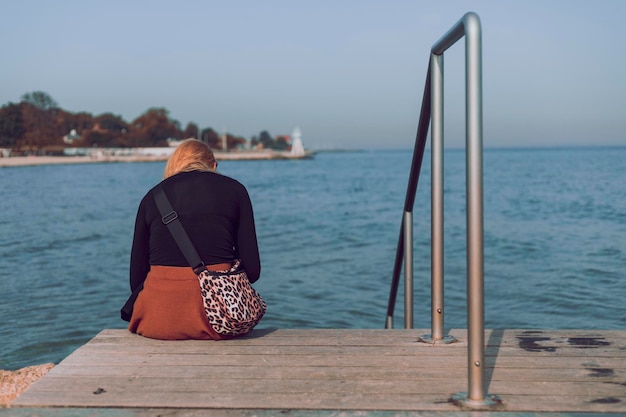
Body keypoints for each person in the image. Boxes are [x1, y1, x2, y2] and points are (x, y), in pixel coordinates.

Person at [120, 139, 261, 340]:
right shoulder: (235, 190)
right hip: (220, 320)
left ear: (174, 165)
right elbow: (253, 271)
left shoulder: (152, 197)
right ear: (213, 165)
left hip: (157, 320)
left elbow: (136, 281)